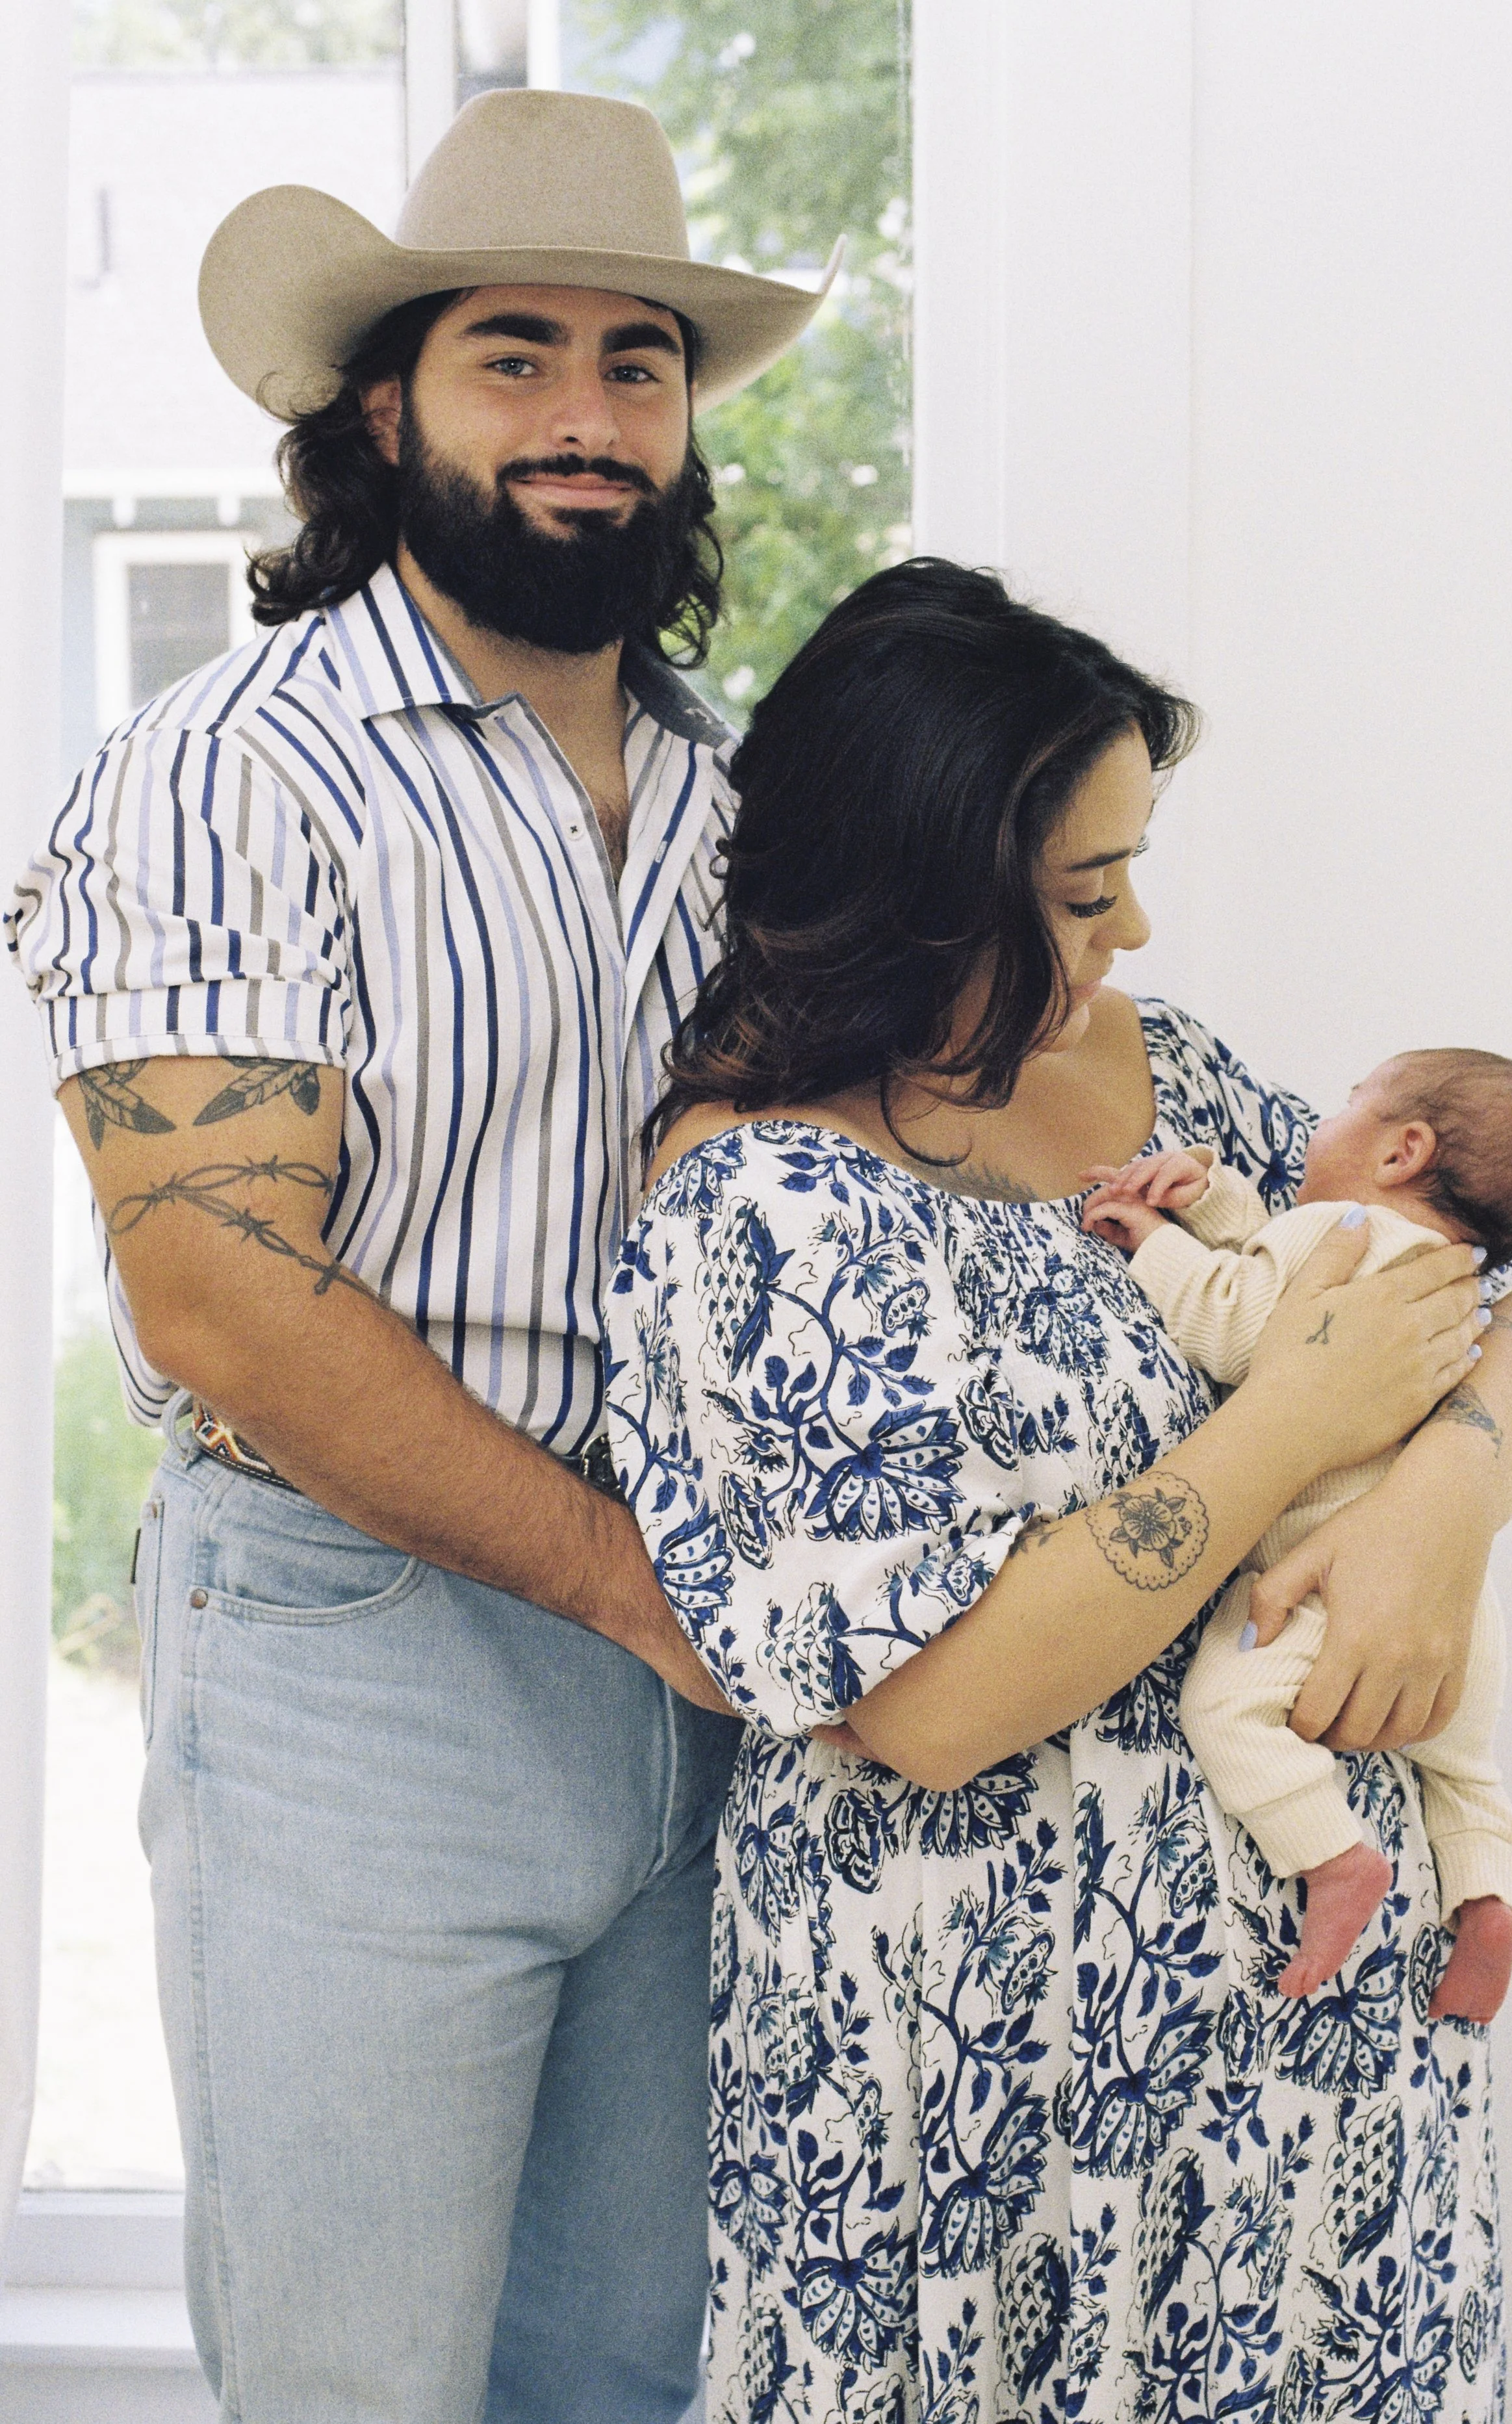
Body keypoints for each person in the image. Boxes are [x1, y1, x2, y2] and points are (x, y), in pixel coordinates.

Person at [6, 88, 839, 2424]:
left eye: (639, 363)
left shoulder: (742, 799)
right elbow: (218, 1303)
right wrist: (625, 1585)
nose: (588, 417)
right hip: (358, 1654)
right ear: (387, 402)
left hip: (703, 1671)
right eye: (516, 355)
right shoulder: (232, 770)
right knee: (357, 2383)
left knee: (633, 2376)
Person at [604, 560, 1512, 2421]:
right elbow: (935, 1704)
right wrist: (1291, 1428)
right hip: (979, 2090)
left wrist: (1439, 1500)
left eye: (1131, 867)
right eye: (1080, 889)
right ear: (910, 889)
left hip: (1305, 2058)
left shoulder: (1166, 1065)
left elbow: (1476, 1301)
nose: (1131, 929)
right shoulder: (759, 1199)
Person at [1081, 1048, 1512, 2020]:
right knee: (1463, 1765)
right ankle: (1488, 1892)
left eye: (1351, 1102)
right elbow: (1287, 1275)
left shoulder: (1335, 1232)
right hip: (1452, 1604)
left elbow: (1236, 1323)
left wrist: (1152, 1239)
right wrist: (1219, 1202)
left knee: (1225, 1707)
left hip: (1334, 1600)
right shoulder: (1445, 1277)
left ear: (1403, 1149)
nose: (1324, 1118)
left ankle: (1335, 1858)